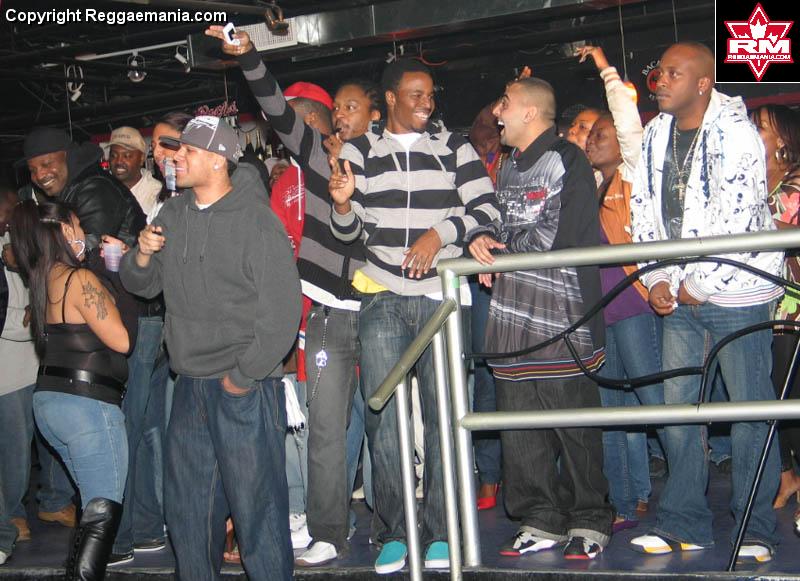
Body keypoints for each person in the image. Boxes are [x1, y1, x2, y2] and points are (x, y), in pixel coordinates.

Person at [206, 25, 381, 568]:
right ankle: (327, 530)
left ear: (374, 115)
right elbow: (278, 110)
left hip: (384, 307)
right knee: (323, 426)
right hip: (327, 312)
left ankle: (397, 524)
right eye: (338, 108)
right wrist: (249, 56)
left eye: (349, 108)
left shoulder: (388, 164)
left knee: (386, 425)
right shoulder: (314, 161)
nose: (340, 118)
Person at [329, 58, 499, 574]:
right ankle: (395, 531)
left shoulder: (454, 147)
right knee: (384, 419)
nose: (427, 103)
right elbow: (349, 233)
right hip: (382, 293)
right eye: (416, 94)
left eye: (430, 94)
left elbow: (487, 209)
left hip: (440, 295)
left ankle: (443, 530)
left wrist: (438, 233)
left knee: (444, 417)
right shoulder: (360, 151)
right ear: (391, 99)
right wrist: (342, 207)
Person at [119, 115, 302, 581]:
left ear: (218, 160)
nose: (175, 158)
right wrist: (142, 253)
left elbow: (283, 311)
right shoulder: (172, 214)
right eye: (176, 150)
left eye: (188, 151)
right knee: (188, 512)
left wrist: (243, 376)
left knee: (257, 512)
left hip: (242, 385)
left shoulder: (256, 221)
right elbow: (143, 285)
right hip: (188, 384)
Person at [628, 42, 783, 562]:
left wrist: (700, 282)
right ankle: (684, 523)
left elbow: (738, 217)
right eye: (659, 72)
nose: (660, 81)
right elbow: (644, 209)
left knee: (750, 415)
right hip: (681, 295)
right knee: (679, 414)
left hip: (738, 294)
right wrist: (657, 276)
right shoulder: (655, 133)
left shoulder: (736, 132)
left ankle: (755, 529)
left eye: (673, 73)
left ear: (702, 83)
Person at [468, 77, 612, 560]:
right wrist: (482, 240)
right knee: (520, 427)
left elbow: (557, 236)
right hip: (512, 318)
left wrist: (501, 250)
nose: (497, 112)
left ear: (530, 112)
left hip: (562, 318)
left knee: (575, 427)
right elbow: (499, 222)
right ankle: (540, 517)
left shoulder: (567, 159)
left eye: (505, 103)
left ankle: (590, 519)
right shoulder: (508, 164)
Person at [10, 199, 139, 580]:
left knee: (91, 506)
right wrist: (118, 276)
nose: (84, 232)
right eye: (78, 224)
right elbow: (122, 341)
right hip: (88, 407)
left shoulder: (42, 277)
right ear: (66, 230)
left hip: (51, 401)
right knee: (102, 512)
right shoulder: (78, 280)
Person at [580, 45, 665, 531]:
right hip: (599, 311)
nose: (592, 141)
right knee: (611, 410)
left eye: (600, 134)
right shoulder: (589, 184)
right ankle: (624, 499)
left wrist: (605, 70)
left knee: (654, 403)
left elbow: (630, 124)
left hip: (634, 305)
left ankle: (680, 494)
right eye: (589, 135)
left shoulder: (634, 174)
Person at [748, 104, 800, 510]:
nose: (753, 131)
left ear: (783, 137)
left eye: (761, 126)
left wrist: (753, 222)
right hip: (757, 300)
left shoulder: (796, 180)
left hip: (792, 303)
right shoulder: (749, 178)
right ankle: (786, 475)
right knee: (767, 391)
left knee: (788, 390)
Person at [19, 126, 146, 249]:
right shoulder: (73, 188)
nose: (39, 175)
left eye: (46, 164)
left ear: (68, 156)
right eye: (32, 170)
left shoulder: (95, 189)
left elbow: (89, 250)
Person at [0, 188, 39, 551]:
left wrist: (35, 311)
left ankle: (13, 513)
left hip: (20, 367)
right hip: (10, 362)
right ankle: (9, 516)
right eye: (9, 211)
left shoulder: (16, 244)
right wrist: (31, 320)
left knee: (17, 446)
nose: (12, 219)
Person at [108, 126, 162, 217]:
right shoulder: (102, 189)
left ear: (141, 158)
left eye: (127, 156)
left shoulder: (157, 193)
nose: (119, 161)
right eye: (113, 155)